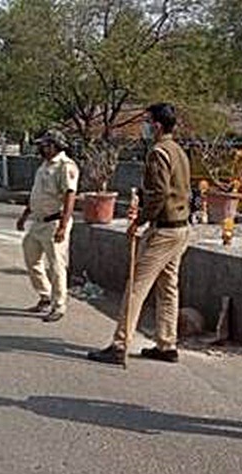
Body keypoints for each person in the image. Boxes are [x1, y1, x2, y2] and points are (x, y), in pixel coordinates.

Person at [88, 103, 193, 366]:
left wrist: (140, 220)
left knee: (136, 286)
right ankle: (167, 344)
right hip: (181, 227)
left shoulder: (158, 152)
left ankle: (120, 344)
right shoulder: (178, 151)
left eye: (147, 122)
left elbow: (159, 193)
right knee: (168, 287)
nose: (144, 127)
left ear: (156, 125)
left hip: (165, 230)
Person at [15, 129, 79, 323]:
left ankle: (59, 305)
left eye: (45, 145)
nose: (41, 149)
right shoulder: (44, 165)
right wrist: (25, 215)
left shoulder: (65, 166)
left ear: (54, 146)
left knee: (57, 265)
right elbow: (36, 194)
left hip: (55, 221)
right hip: (38, 221)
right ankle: (45, 295)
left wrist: (63, 226)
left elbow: (70, 196)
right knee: (31, 257)